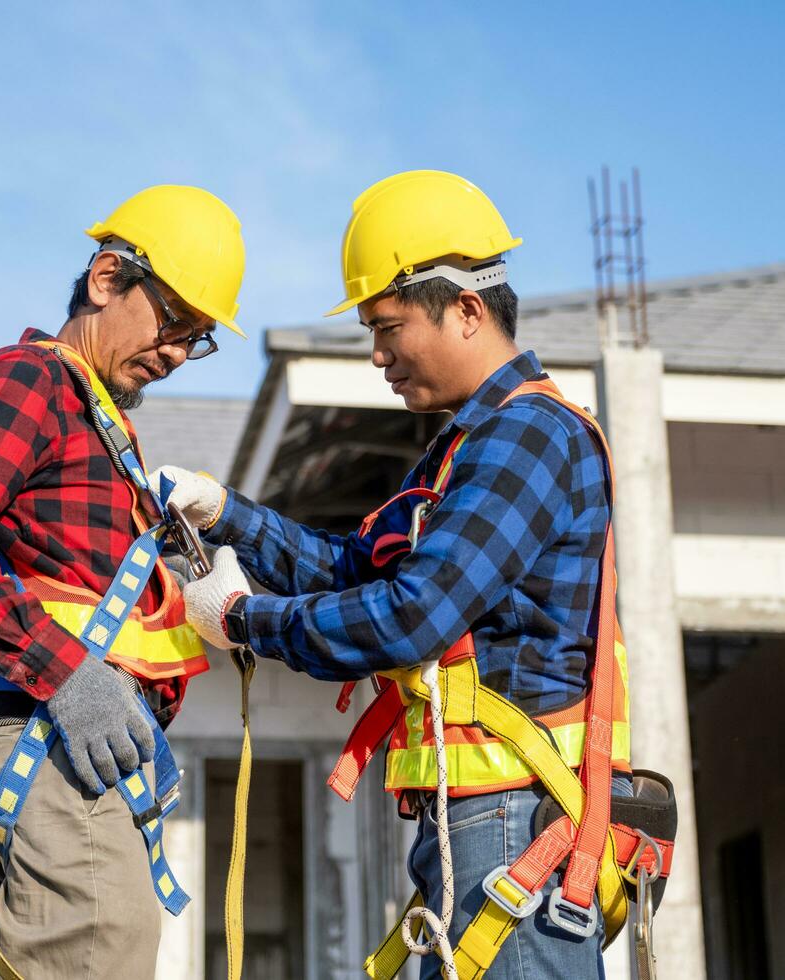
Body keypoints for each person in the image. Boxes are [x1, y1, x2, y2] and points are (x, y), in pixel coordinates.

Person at [162, 170, 635, 980]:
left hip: (511, 825)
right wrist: (226, 515)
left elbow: (409, 616)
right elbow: (357, 568)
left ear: (466, 309)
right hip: (479, 826)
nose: (377, 354)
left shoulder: (526, 437)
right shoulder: (465, 448)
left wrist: (245, 621)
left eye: (387, 327)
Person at [0, 184, 246, 979]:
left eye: (199, 339)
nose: (178, 351)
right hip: (49, 733)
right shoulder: (31, 380)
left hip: (79, 747)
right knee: (95, 953)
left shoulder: (100, 424)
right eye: (174, 321)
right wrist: (67, 675)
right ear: (107, 278)